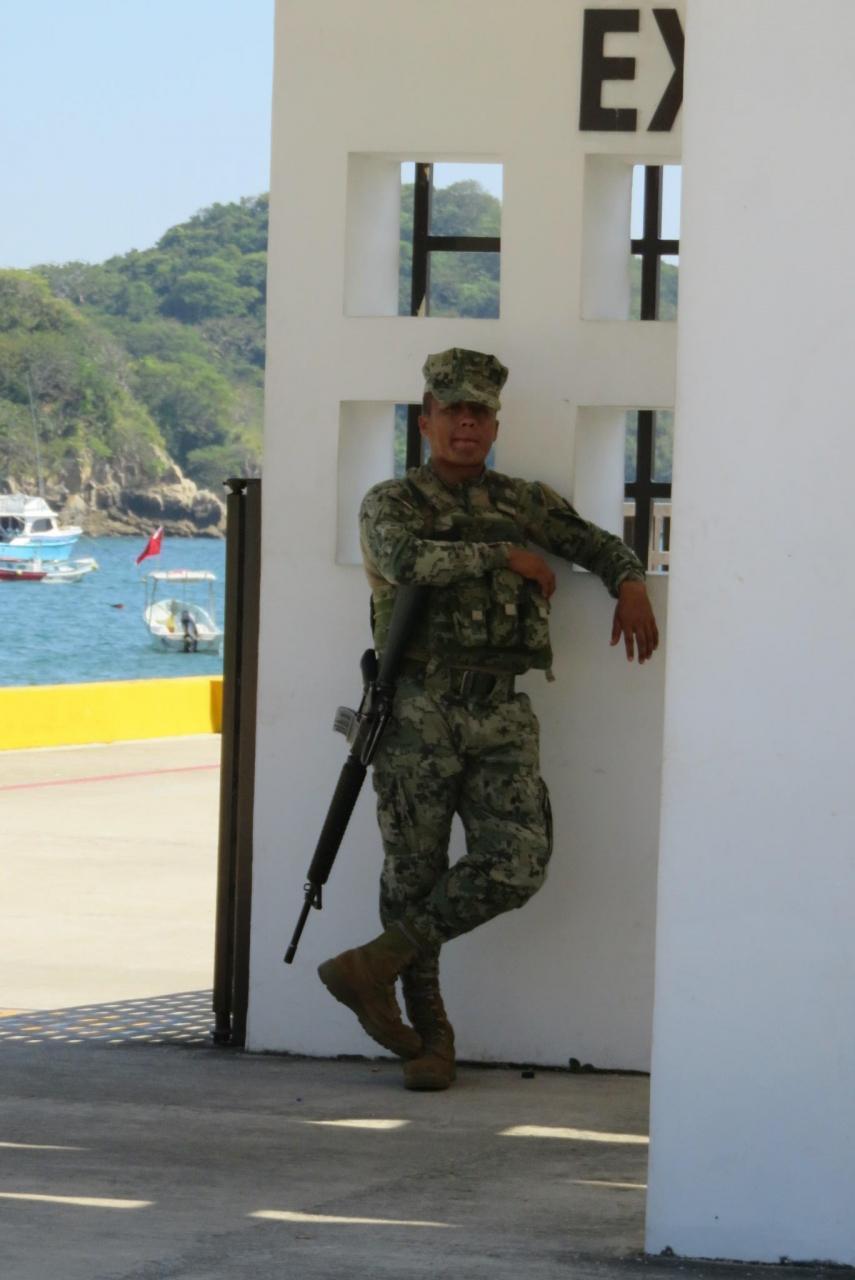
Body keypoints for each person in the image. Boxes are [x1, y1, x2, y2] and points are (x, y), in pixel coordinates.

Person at [318, 348, 658, 1091]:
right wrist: (506, 556)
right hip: (417, 708)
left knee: (518, 862)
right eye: (453, 411)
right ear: (426, 421)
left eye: (479, 413)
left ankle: (372, 965)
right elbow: (405, 561)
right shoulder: (391, 501)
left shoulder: (520, 499)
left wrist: (629, 582)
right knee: (414, 875)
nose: (466, 424)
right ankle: (429, 1041)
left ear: (495, 425)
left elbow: (593, 543)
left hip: (499, 712)